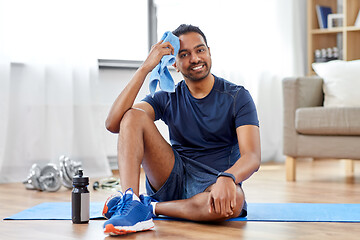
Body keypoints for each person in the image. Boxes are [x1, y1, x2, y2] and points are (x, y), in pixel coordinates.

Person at [102, 24, 261, 236]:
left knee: (235, 202)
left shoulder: (237, 97)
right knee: (133, 115)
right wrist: (145, 68)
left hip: (213, 182)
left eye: (200, 50)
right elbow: (113, 123)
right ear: (174, 64)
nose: (195, 59)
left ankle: (148, 207)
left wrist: (228, 177)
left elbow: (252, 156)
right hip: (172, 177)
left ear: (209, 52)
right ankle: (130, 200)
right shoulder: (168, 96)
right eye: (184, 54)